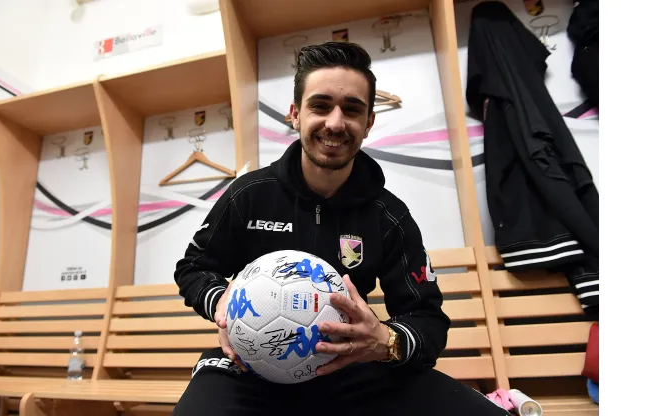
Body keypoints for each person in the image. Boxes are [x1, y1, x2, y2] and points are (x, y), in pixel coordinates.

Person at [172, 41, 509, 416]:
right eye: (320, 105)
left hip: (348, 368)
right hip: (249, 367)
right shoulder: (249, 196)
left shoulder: (389, 216)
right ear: (295, 114)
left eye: (351, 110)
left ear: (368, 122)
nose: (335, 122)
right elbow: (194, 268)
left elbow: (427, 319)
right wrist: (222, 302)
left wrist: (386, 339)